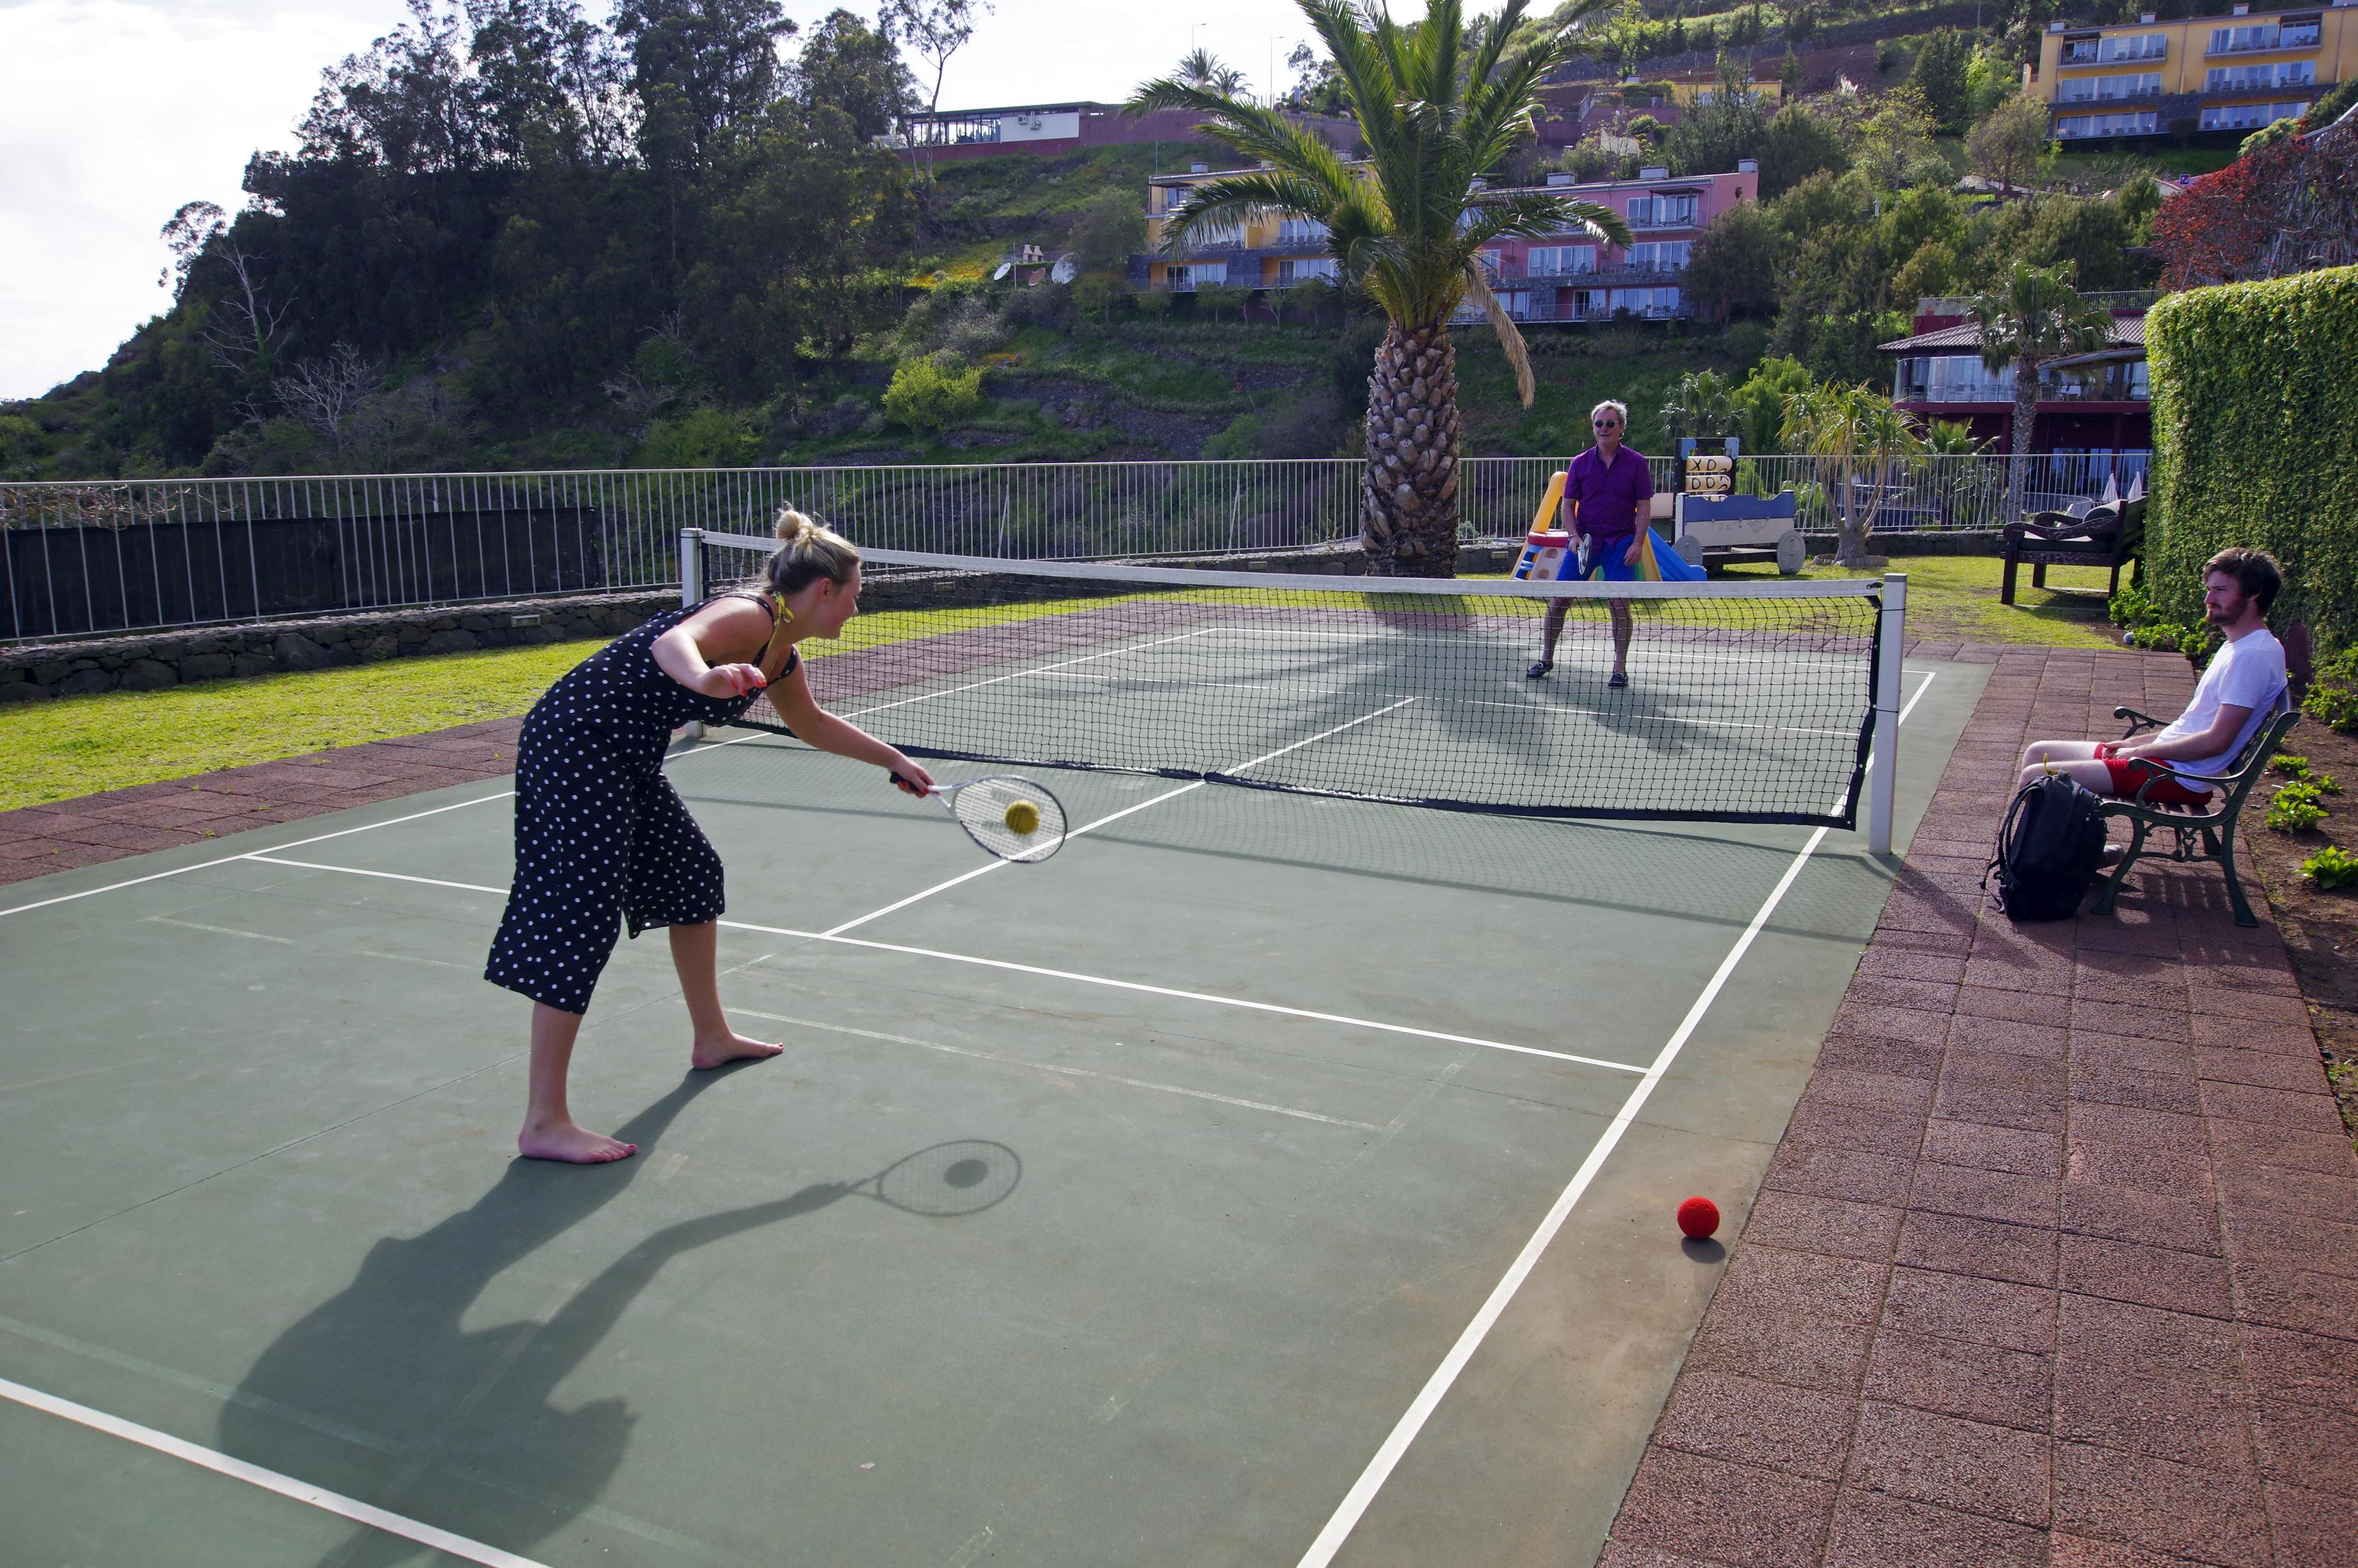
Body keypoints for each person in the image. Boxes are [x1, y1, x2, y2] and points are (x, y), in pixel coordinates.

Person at [484, 510, 935, 1164]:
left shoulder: (781, 653)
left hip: (625, 755)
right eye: (857, 595)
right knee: (580, 918)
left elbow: (809, 723)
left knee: (692, 876)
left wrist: (892, 759)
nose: (857, 610)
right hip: (575, 744)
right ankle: (544, 1121)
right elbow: (675, 644)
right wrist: (704, 678)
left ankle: (711, 1038)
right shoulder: (748, 617)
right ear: (825, 591)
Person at [2017, 547, 2287, 805]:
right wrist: (2134, 742)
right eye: (2209, 590)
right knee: (2037, 752)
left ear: (2254, 594)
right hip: (2167, 762)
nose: (2208, 600)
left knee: (2037, 776)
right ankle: (2072, 852)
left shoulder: (2252, 656)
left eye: (2220, 591)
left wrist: (2139, 752)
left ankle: (2058, 853)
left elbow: (2217, 742)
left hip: (2180, 777)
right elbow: (2193, 726)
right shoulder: (2240, 644)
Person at [1525, 399, 1654, 687]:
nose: (1604, 428)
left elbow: (1644, 509)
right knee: (1559, 601)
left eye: (1610, 424)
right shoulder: (1580, 463)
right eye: (1599, 424)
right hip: (1585, 542)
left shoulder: (1636, 463)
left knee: (1619, 603)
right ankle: (1546, 658)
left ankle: (1619, 669)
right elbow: (1568, 506)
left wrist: (1637, 543)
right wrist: (1573, 537)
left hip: (1621, 543)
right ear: (1593, 428)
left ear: (1621, 428)